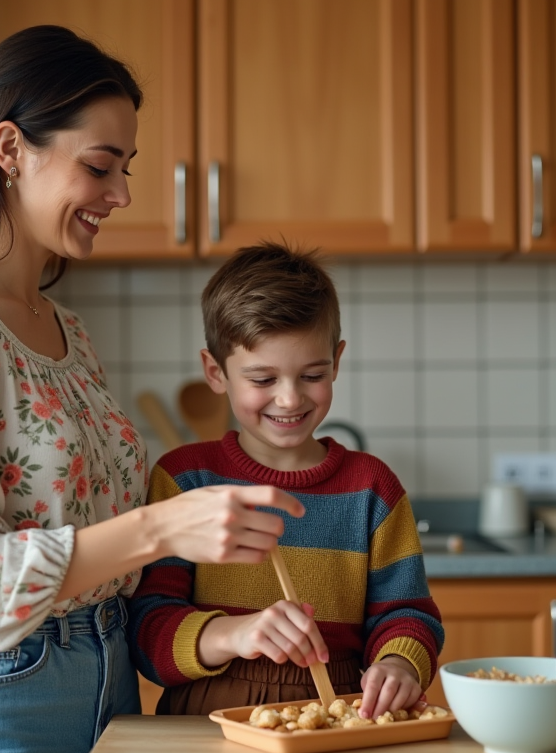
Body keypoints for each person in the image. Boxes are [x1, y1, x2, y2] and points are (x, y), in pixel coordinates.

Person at [0, 26, 304, 753]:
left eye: (127, 169)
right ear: (11, 149)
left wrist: (228, 629)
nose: (120, 195)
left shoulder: (68, 332)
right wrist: (160, 528)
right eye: (99, 166)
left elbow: (88, 537)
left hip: (111, 680)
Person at [127, 242, 444, 720]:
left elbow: (408, 614)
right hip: (207, 719)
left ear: (337, 362)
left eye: (312, 374)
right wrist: (232, 634)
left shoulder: (373, 487)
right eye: (262, 379)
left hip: (340, 713)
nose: (290, 398)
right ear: (216, 372)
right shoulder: (185, 478)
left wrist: (399, 663)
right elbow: (148, 632)